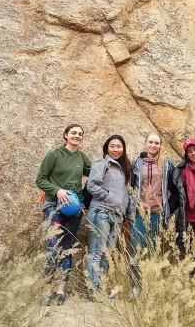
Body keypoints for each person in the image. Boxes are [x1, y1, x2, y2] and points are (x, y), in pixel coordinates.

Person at [35, 124, 91, 306]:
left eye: (80, 134)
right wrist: (57, 190)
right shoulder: (54, 155)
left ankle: (60, 290)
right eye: (73, 133)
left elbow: (95, 173)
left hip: (74, 210)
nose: (77, 136)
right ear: (66, 135)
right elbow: (40, 180)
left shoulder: (82, 157)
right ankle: (45, 291)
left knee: (68, 247)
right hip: (54, 207)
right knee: (53, 247)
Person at [86, 135, 134, 293]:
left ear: (123, 149)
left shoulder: (122, 168)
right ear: (107, 148)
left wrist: (125, 213)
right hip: (101, 212)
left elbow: (124, 193)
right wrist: (109, 198)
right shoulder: (102, 164)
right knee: (96, 252)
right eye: (112, 146)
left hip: (117, 216)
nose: (115, 149)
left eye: (119, 146)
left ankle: (101, 288)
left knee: (107, 254)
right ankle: (93, 290)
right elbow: (91, 185)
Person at [128, 133, 174, 293]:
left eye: (156, 143)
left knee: (154, 249)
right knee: (137, 249)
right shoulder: (137, 162)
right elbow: (132, 185)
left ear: (161, 145)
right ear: (146, 143)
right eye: (151, 142)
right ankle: (135, 286)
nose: (153, 145)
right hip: (140, 212)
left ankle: (149, 286)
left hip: (157, 212)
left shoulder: (166, 163)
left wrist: (168, 209)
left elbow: (173, 188)